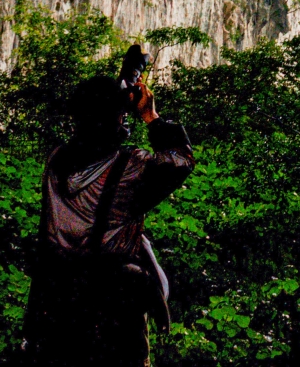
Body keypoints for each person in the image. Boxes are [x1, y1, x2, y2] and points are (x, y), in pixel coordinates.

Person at [23, 74, 193, 365]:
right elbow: (180, 161)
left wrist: (122, 83)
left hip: (57, 300)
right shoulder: (131, 168)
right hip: (112, 308)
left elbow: (92, 132)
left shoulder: (57, 160)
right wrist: (151, 116)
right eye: (121, 115)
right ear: (113, 119)